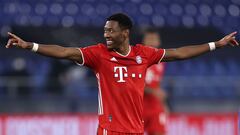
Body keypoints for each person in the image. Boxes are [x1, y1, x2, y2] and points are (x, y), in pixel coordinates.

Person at [5, 13, 238, 135]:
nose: (106, 34)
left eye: (110, 31)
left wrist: (216, 44)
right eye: (105, 30)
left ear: (125, 33)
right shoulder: (98, 54)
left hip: (135, 130)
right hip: (110, 130)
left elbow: (179, 53)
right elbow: (65, 52)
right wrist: (30, 46)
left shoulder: (143, 54)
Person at [142, 29, 168, 135]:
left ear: (159, 41)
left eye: (154, 39)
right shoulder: (138, 60)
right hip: (139, 107)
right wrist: (152, 91)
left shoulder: (161, 61)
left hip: (155, 107)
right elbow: (132, 84)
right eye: (149, 39)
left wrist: (163, 104)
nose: (152, 42)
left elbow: (157, 84)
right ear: (144, 41)